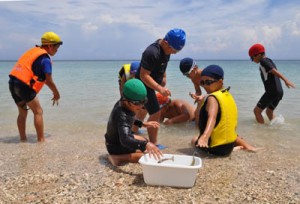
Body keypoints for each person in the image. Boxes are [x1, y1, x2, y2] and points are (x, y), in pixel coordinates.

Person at [8, 31, 63, 142]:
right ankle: (41, 141)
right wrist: (56, 93)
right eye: (57, 47)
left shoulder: (33, 52)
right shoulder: (45, 59)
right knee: (38, 112)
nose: (57, 50)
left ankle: (23, 140)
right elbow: (49, 80)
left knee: (22, 113)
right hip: (24, 86)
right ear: (50, 46)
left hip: (13, 83)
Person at [191, 65, 256, 156]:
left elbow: (212, 118)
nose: (205, 86)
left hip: (215, 149)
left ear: (220, 82)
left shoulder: (212, 98)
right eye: (202, 82)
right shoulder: (226, 94)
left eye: (208, 82)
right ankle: (238, 148)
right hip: (228, 145)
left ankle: (236, 148)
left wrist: (205, 137)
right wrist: (201, 101)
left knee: (193, 140)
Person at [135, 28, 186, 145]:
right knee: (156, 113)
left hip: (151, 85)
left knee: (143, 110)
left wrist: (164, 77)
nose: (174, 53)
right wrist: (160, 89)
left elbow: (163, 65)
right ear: (166, 43)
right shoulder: (152, 52)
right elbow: (143, 76)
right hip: (143, 85)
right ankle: (153, 143)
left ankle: (134, 132)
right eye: (174, 50)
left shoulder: (166, 50)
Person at [105, 79, 162, 166]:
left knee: (146, 142)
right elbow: (125, 139)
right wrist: (146, 145)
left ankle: (124, 155)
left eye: (144, 101)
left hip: (115, 140)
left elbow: (129, 119)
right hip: (115, 145)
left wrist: (142, 124)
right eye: (137, 103)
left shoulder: (123, 104)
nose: (141, 106)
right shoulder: (122, 114)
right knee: (146, 156)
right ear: (126, 101)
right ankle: (116, 158)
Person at [248, 44, 295, 124]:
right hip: (279, 92)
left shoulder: (263, 61)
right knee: (269, 112)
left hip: (272, 92)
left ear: (259, 55)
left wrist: (285, 80)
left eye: (252, 57)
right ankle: (276, 129)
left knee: (256, 111)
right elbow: (272, 71)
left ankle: (262, 132)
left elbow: (273, 71)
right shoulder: (269, 60)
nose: (252, 60)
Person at [118, 61, 147, 133]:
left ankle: (136, 127)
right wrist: (124, 100)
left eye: (136, 74)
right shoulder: (125, 74)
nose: (134, 76)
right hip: (124, 82)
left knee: (142, 107)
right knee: (128, 105)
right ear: (130, 72)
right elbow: (122, 90)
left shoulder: (143, 73)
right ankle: (128, 126)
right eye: (133, 74)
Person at [179, 57, 203, 125]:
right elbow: (198, 91)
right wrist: (196, 95)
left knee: (198, 114)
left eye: (187, 73)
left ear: (195, 68)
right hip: (208, 96)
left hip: (216, 95)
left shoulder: (205, 74)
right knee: (196, 114)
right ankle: (197, 131)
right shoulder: (193, 78)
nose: (186, 76)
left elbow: (216, 91)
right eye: (184, 74)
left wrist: (203, 97)